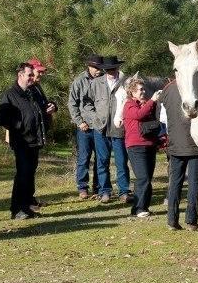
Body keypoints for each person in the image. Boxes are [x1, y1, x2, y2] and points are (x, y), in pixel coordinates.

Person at [0, 62, 46, 219]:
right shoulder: (10, 95)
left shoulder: (32, 92)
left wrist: (51, 107)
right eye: (29, 75)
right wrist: (18, 125)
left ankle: (26, 207)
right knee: (22, 175)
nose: (33, 78)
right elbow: (0, 118)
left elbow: (41, 107)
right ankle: (17, 209)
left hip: (35, 140)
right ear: (20, 75)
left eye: (33, 74)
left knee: (29, 175)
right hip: (22, 141)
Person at [158, 79, 198, 231]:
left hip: (175, 143)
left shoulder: (167, 90)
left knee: (175, 182)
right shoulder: (197, 88)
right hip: (195, 143)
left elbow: (162, 118)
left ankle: (172, 220)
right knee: (194, 182)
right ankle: (191, 220)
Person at [88, 55, 133, 204]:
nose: (111, 72)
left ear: (118, 68)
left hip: (119, 128)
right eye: (108, 69)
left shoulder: (126, 83)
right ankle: (104, 191)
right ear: (104, 70)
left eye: (113, 69)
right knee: (102, 161)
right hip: (100, 128)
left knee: (121, 161)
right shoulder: (95, 83)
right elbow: (87, 103)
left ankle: (124, 191)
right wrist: (94, 118)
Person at [122, 75, 161, 218]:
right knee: (142, 177)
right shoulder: (129, 105)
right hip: (136, 146)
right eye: (139, 90)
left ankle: (141, 207)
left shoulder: (145, 104)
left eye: (144, 89)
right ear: (132, 92)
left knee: (147, 178)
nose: (143, 92)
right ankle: (139, 208)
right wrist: (151, 101)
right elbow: (139, 115)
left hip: (149, 144)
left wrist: (151, 103)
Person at [68, 54, 103, 199]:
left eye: (100, 67)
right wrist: (79, 121)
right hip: (85, 126)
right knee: (84, 158)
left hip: (101, 126)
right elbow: (72, 103)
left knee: (101, 158)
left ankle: (98, 187)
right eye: (95, 67)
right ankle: (82, 187)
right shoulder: (79, 81)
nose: (98, 70)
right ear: (89, 66)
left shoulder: (103, 80)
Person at [26, 57, 57, 210]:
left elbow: (43, 104)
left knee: (32, 167)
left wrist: (53, 106)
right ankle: (27, 201)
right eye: (39, 71)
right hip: (28, 136)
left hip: (38, 134)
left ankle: (31, 199)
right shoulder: (26, 88)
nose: (41, 75)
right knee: (27, 169)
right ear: (30, 70)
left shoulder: (37, 87)